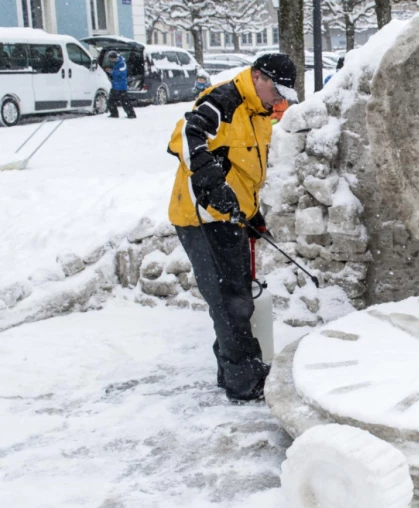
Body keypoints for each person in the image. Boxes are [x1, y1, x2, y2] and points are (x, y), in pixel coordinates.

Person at [166, 53, 297, 401]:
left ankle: (233, 371)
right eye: (277, 89)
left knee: (237, 296)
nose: (280, 99)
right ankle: (245, 381)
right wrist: (213, 189)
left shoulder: (260, 115)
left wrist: (251, 213)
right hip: (202, 218)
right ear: (258, 76)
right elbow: (187, 140)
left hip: (231, 218)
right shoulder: (221, 102)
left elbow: (242, 171)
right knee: (229, 302)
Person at [105, 51, 136, 119]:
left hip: (121, 86)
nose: (111, 60)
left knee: (125, 101)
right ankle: (114, 113)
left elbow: (121, 73)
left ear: (114, 57)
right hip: (115, 85)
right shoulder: (117, 63)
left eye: (111, 58)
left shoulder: (122, 63)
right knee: (111, 101)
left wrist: (111, 71)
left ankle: (131, 114)